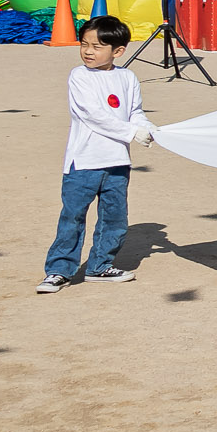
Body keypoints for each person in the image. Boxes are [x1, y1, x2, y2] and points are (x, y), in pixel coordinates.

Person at [39, 15, 157, 294]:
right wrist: (131, 133)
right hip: (84, 162)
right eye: (84, 44)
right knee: (73, 217)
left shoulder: (127, 77)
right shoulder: (79, 76)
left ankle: (100, 266)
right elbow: (93, 115)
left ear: (118, 51)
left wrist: (148, 129)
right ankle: (59, 270)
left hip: (117, 163)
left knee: (114, 217)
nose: (88, 51)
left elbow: (135, 113)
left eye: (97, 46)